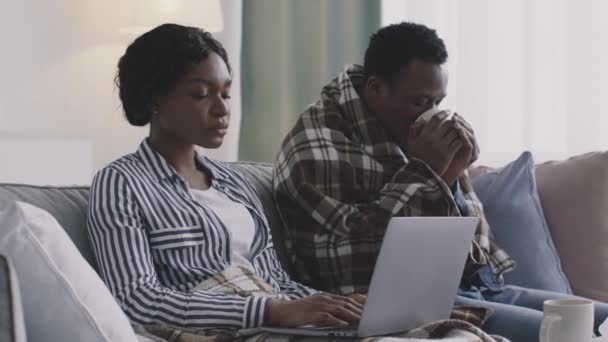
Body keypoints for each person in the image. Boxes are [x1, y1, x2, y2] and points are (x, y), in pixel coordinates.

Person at [273, 22, 608, 342]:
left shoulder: (408, 130)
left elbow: (478, 258)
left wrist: (452, 181)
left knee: (603, 318)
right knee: (568, 334)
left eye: (438, 103)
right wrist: (424, 170)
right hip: (392, 308)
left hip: (466, 290)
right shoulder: (316, 148)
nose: (430, 114)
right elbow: (354, 265)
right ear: (376, 88)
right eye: (420, 102)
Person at [87, 23, 367, 333]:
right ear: (155, 100)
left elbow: (277, 283)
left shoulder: (234, 183)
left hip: (272, 322)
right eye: (201, 94)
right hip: (229, 329)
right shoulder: (121, 183)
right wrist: (270, 311)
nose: (222, 109)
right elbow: (137, 300)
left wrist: (336, 307)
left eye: (226, 93)